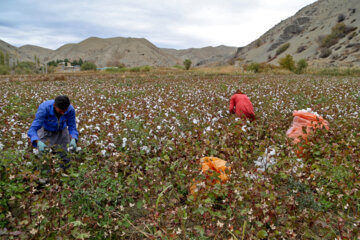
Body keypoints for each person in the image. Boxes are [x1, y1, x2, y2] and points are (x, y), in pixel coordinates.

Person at [28, 95, 78, 169]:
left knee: (65, 157)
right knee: (44, 157)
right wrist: (37, 141)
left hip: (62, 132)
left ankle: (65, 174)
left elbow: (72, 127)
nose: (63, 113)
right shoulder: (44, 108)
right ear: (54, 105)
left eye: (65, 111)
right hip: (46, 131)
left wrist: (73, 138)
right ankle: (46, 176)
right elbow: (33, 129)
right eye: (60, 111)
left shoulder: (70, 110)